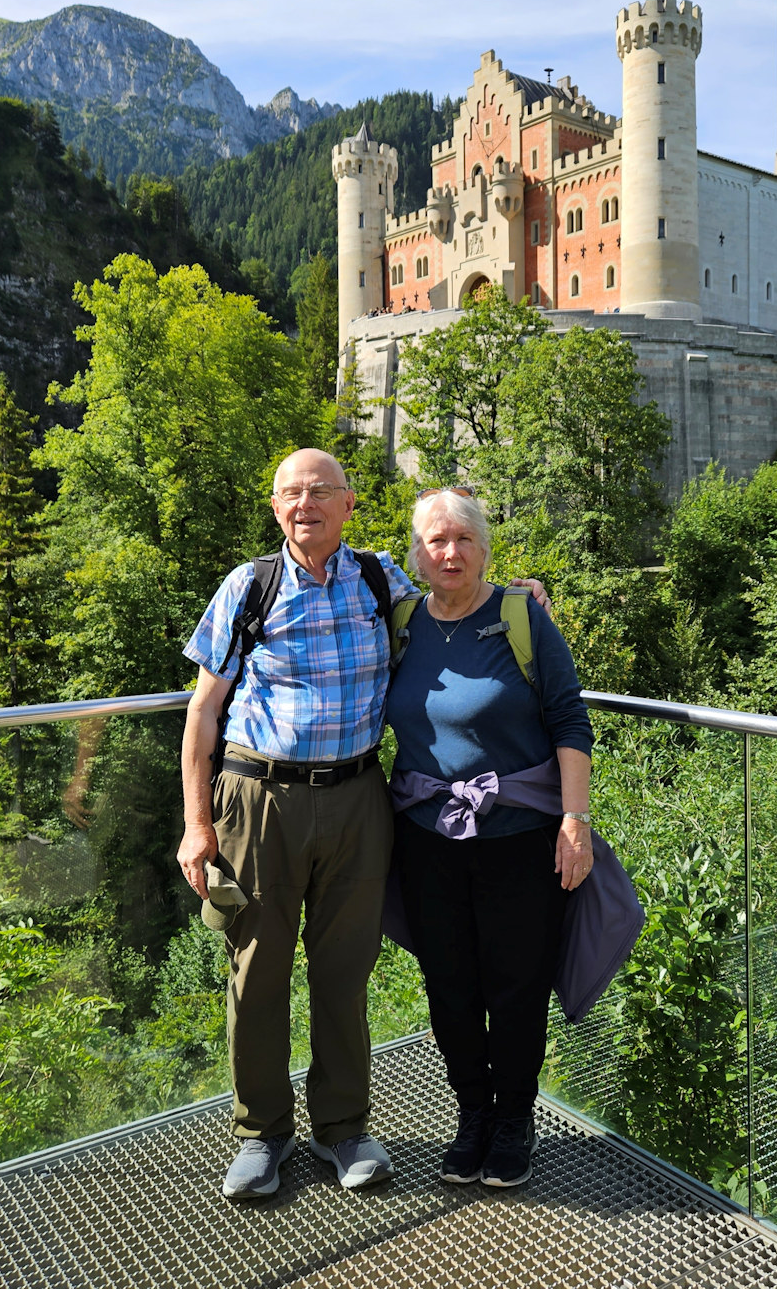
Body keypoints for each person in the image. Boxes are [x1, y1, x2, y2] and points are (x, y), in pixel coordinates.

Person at [176, 449, 547, 1200]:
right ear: (275, 507)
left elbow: (457, 595)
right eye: (289, 493)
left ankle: (341, 1128)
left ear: (348, 506)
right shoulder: (248, 587)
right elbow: (202, 713)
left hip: (358, 797)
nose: (303, 503)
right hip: (259, 799)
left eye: (319, 492)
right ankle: (260, 1133)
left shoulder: (382, 580)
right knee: (257, 974)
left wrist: (521, 596)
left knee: (344, 974)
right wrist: (196, 825)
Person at [385, 489, 594, 1189]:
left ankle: (514, 1120)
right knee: (448, 983)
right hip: (425, 836)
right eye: (435, 541)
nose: (449, 553)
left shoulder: (520, 618)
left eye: (462, 540)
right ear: (416, 552)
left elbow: (569, 721)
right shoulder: (400, 622)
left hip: (518, 835)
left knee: (515, 985)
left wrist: (575, 819)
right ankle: (471, 1113)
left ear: (484, 548)